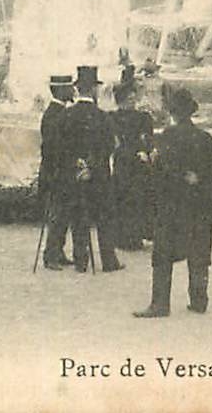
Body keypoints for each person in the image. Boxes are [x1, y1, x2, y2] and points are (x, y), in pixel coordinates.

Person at [134, 89, 212, 318]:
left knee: (163, 254)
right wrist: (198, 178)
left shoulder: (166, 138)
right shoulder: (205, 138)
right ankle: (199, 300)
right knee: (199, 253)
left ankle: (160, 304)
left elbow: (159, 172)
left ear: (172, 112)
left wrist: (149, 163)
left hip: (172, 204)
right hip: (198, 205)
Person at [65, 66, 124, 273]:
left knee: (79, 217)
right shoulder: (103, 117)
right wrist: (93, 166)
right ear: (93, 89)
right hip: (100, 176)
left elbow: (61, 146)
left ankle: (81, 261)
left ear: (77, 88)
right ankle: (109, 261)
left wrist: (78, 164)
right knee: (104, 218)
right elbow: (111, 146)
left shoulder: (67, 115)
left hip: (75, 174)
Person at [109, 77, 155, 252]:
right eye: (129, 98)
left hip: (136, 162)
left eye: (133, 97)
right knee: (124, 198)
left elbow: (148, 139)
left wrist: (146, 151)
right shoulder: (112, 117)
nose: (132, 101)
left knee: (137, 198)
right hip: (124, 161)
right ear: (120, 100)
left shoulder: (143, 117)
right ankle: (123, 237)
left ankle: (135, 236)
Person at [39, 74, 76, 270]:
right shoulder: (55, 114)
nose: (73, 90)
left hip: (60, 171)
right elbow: (52, 148)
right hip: (56, 172)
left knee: (64, 213)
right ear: (60, 90)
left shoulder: (57, 112)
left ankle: (58, 252)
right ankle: (50, 255)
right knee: (57, 214)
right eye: (70, 87)